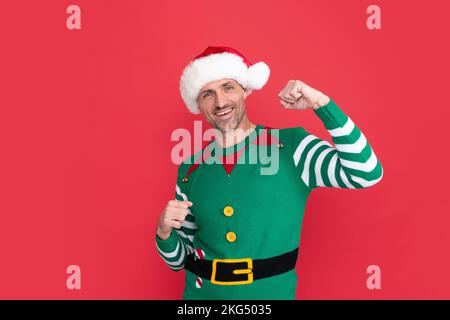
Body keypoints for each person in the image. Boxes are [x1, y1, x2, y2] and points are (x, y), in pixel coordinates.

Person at [155, 46, 383, 300]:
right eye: (208, 94)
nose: (220, 102)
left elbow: (366, 172)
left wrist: (321, 104)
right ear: (198, 103)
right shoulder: (191, 168)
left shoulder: (292, 147)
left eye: (228, 87)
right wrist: (163, 233)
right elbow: (179, 260)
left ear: (245, 89)